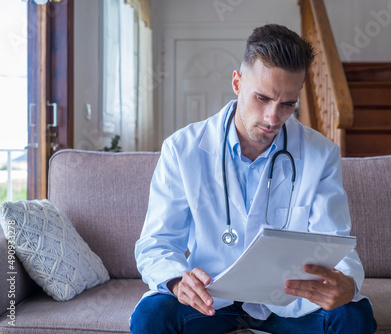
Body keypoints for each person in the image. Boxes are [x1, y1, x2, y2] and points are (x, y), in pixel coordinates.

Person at [130, 24, 377, 333]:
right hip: (212, 301)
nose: (273, 117)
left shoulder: (320, 154)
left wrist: (347, 284)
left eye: (288, 104)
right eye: (262, 98)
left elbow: (335, 244)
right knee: (151, 316)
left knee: (354, 316)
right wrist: (178, 280)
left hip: (288, 304)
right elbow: (157, 242)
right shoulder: (183, 149)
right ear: (237, 82)